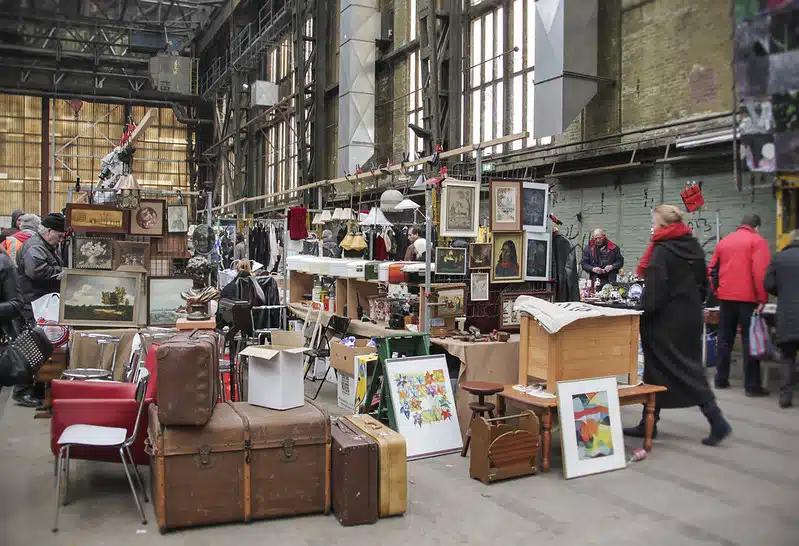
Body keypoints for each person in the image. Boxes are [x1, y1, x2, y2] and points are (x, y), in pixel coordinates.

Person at [625, 205, 731, 446]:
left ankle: (717, 421)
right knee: (664, 369)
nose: (652, 226)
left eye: (653, 220)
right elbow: (705, 283)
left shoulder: (662, 251)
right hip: (690, 316)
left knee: (679, 369)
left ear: (662, 224)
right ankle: (648, 421)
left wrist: (641, 310)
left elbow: (655, 291)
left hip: (666, 320)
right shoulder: (691, 246)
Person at [707, 214, 771, 396]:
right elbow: (760, 273)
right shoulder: (757, 242)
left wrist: (718, 291)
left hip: (726, 298)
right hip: (748, 300)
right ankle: (752, 386)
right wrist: (762, 299)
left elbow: (712, 269)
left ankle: (721, 379)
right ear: (756, 226)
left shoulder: (725, 241)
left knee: (725, 338)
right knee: (750, 340)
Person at [764, 230, 799, 408]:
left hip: (788, 314)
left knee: (787, 355)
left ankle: (785, 396)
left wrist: (783, 292)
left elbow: (768, 284)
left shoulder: (779, 258)